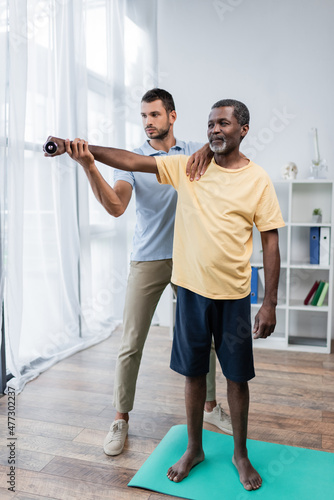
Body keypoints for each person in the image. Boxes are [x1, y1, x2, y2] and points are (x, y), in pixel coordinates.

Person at [61, 98, 284, 491]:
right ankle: (194, 448)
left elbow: (270, 241)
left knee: (236, 378)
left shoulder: (258, 179)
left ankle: (240, 454)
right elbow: (131, 161)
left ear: (243, 130)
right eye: (211, 123)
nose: (215, 129)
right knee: (193, 373)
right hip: (192, 292)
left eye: (224, 124)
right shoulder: (188, 167)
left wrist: (269, 302)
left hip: (234, 296)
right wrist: (79, 149)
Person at [45, 89, 233, 457]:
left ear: (172, 117)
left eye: (155, 115)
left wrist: (208, 150)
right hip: (149, 258)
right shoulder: (130, 160)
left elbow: (222, 149)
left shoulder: (195, 150)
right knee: (131, 342)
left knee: (204, 338)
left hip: (191, 258)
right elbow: (116, 207)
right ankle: (120, 418)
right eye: (144, 116)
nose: (148, 122)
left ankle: (210, 407)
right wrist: (88, 165)